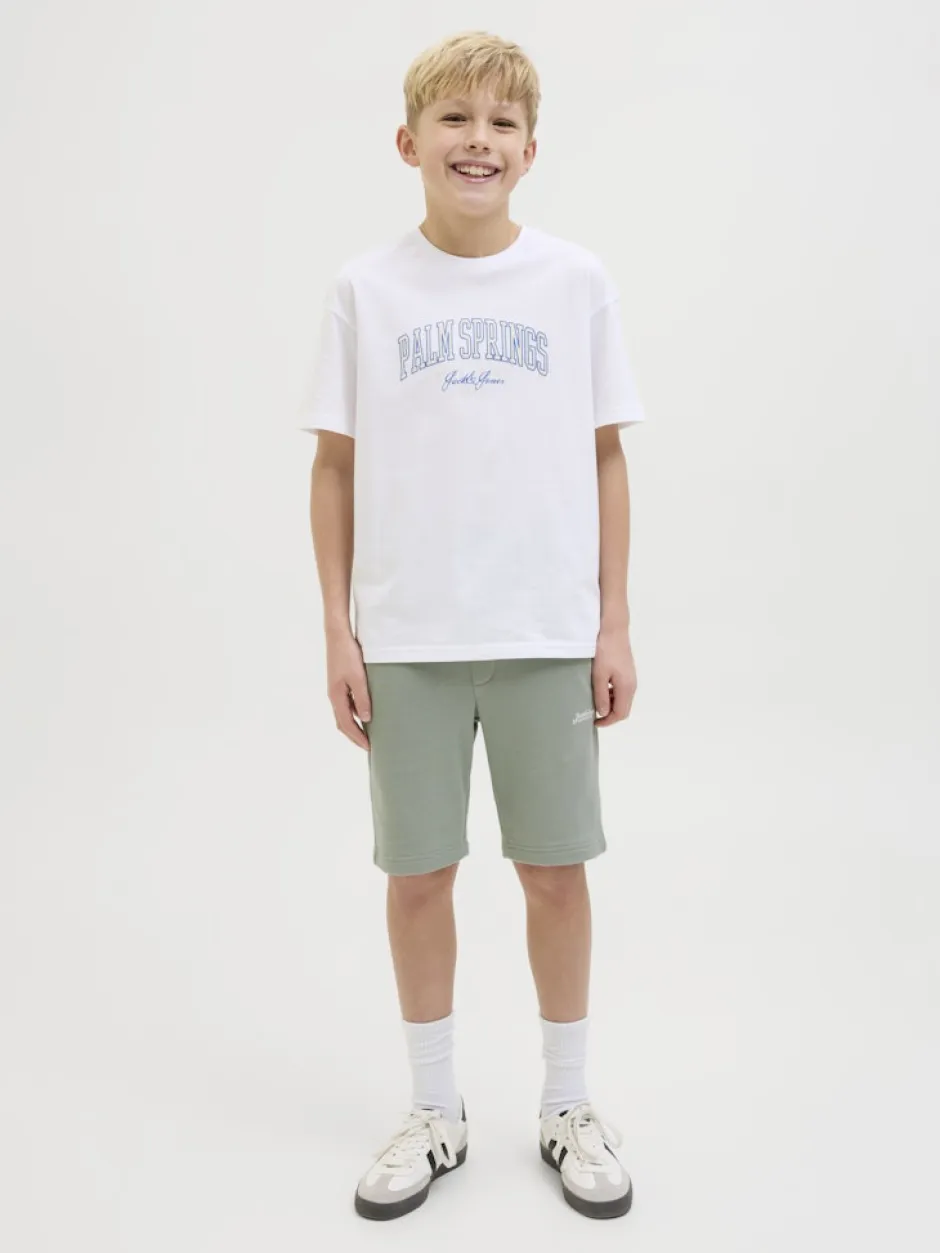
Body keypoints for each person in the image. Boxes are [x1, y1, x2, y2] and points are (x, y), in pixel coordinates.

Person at [296, 29, 647, 1222]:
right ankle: (434, 1107)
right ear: (409, 142)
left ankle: (567, 1102)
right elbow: (334, 468)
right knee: (418, 873)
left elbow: (605, 455)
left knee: (555, 869)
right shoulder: (366, 289)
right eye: (455, 119)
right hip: (408, 639)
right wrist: (338, 631)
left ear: (531, 150)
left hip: (545, 628)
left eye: (502, 123)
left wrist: (612, 620)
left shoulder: (574, 281)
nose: (478, 141)